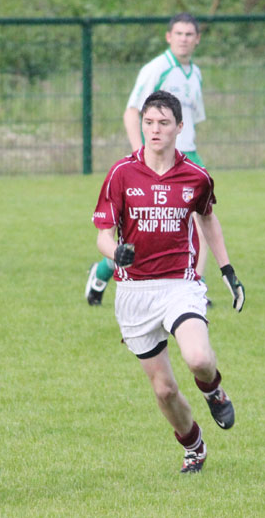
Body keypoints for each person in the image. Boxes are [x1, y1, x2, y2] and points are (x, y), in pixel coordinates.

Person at [91, 90, 245, 473]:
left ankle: (214, 390)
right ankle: (194, 445)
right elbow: (103, 234)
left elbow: (207, 219)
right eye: (148, 122)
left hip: (181, 283)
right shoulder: (121, 173)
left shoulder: (196, 177)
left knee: (198, 358)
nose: (154, 130)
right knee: (164, 389)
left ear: (179, 127)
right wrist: (114, 253)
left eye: (163, 123)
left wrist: (227, 271)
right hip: (134, 291)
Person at [86, 12, 209, 305]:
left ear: (197, 39)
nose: (183, 39)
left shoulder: (197, 73)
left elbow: (192, 120)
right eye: (178, 33)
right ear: (169, 37)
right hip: (152, 160)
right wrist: (140, 155)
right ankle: (104, 268)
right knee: (145, 231)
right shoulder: (156, 69)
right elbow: (132, 111)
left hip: (187, 156)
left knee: (199, 221)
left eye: (189, 34)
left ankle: (195, 286)